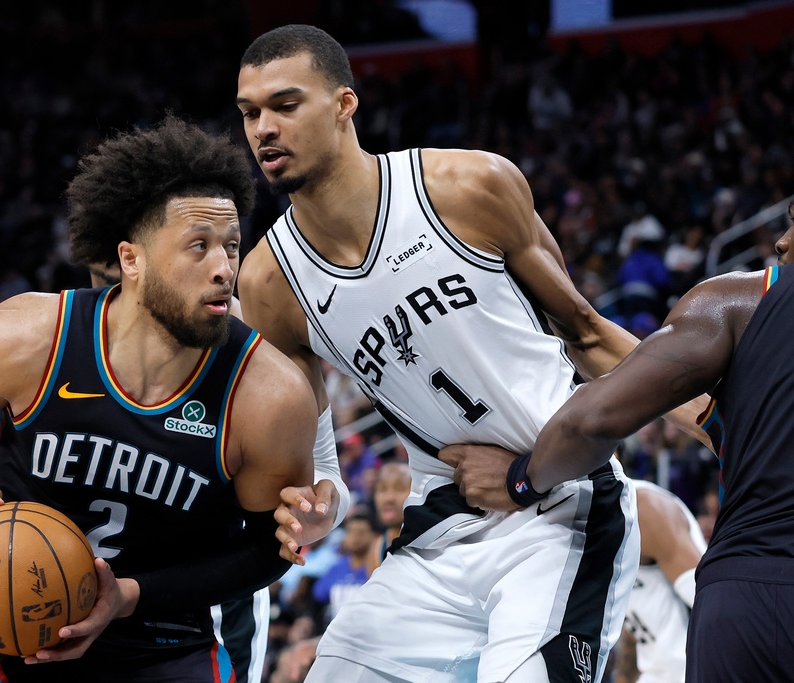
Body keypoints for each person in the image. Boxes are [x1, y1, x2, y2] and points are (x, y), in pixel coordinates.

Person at [234, 24, 710, 682]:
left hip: (562, 506)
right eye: (250, 113)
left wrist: (718, 422)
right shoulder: (267, 283)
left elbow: (589, 331)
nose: (264, 129)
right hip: (441, 527)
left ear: (345, 105)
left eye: (284, 106)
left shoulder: (466, 187)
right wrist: (327, 504)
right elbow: (320, 451)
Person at [0, 115, 319, 682]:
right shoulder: (34, 337)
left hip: (163, 638)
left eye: (231, 246)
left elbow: (268, 550)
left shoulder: (267, 395)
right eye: (198, 247)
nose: (225, 268)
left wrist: (127, 595)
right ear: (131, 259)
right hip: (10, 627)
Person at [447, 212, 794, 681]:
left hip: (756, 588)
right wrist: (576, 321)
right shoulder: (750, 397)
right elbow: (675, 397)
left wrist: (521, 479)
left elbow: (592, 418)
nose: (781, 241)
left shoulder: (744, 301)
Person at [87, 259, 350, 683]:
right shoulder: (63, 332)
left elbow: (327, 475)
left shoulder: (260, 338)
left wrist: (321, 511)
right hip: (76, 590)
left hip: (208, 609)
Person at [616, 479, 705, 683]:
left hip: (694, 670)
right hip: (654, 672)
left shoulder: (644, 510)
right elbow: (634, 625)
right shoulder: (573, 528)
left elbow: (716, 605)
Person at [366, 461, 411, 577]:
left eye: (400, 489)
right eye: (382, 489)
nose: (389, 498)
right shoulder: (377, 547)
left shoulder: (432, 543)